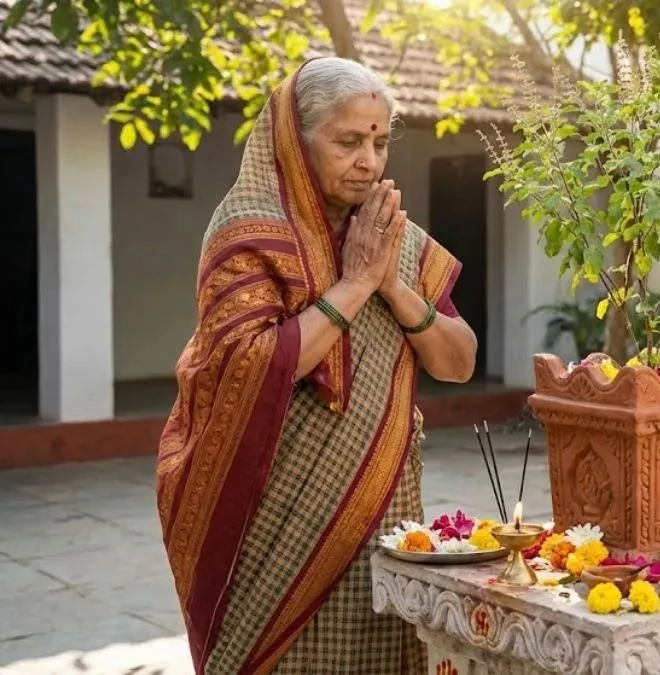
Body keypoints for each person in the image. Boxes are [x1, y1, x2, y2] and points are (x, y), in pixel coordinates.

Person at [155, 56, 478, 674]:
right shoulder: (250, 233)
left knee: (384, 653)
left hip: (382, 507)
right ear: (296, 142)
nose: (369, 161)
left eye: (379, 143)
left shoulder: (393, 237)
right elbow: (248, 366)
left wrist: (392, 285)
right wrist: (354, 285)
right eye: (348, 142)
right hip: (278, 521)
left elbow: (459, 361)